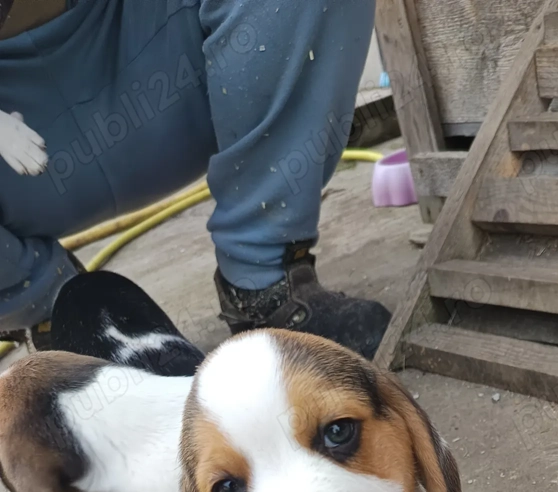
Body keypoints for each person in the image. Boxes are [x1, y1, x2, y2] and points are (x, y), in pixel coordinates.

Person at [0, 0, 391, 358]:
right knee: (78, 330)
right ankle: (66, 317)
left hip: (161, 59)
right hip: (22, 157)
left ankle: (265, 282)